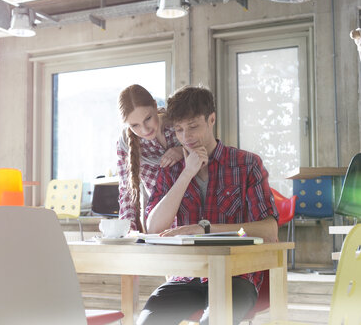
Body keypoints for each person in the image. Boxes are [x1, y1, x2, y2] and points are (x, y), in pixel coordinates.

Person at [137, 85, 279, 325]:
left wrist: (205, 229)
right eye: (179, 130)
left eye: (193, 126)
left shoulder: (246, 164)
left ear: (211, 119)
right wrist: (187, 173)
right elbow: (153, 228)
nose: (187, 137)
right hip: (185, 278)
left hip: (236, 276)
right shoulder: (171, 171)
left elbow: (268, 230)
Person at [117, 84, 184, 232]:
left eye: (148, 118)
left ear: (155, 105)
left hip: (193, 221)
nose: (144, 130)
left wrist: (183, 151)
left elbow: (208, 153)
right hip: (158, 227)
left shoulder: (178, 124)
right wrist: (128, 232)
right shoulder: (125, 143)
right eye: (135, 125)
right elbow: (126, 193)